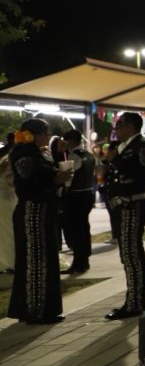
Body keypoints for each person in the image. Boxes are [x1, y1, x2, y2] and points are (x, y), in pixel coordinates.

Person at [6, 119, 72, 324]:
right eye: (45, 132)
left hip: (43, 211)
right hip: (32, 212)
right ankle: (36, 310)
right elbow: (29, 181)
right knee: (35, 261)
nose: (47, 136)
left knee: (45, 258)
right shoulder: (23, 153)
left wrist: (59, 157)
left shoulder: (39, 152)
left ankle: (42, 309)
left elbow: (48, 171)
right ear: (31, 134)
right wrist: (54, 180)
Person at [104, 111, 145, 319]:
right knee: (127, 253)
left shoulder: (144, 146)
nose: (115, 130)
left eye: (119, 125)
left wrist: (116, 160)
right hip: (121, 205)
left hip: (133, 204)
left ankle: (135, 301)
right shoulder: (122, 147)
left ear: (130, 126)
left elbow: (140, 173)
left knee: (132, 254)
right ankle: (135, 299)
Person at [59, 129, 96, 274]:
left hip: (75, 196)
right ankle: (84, 259)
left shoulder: (73, 156)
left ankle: (79, 261)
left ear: (70, 141)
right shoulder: (90, 155)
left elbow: (68, 180)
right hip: (88, 193)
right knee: (84, 227)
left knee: (75, 229)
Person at [0, 133, 17, 272]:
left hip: (6, 197)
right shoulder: (11, 158)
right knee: (9, 229)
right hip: (9, 197)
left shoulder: (5, 157)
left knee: (6, 230)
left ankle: (8, 260)